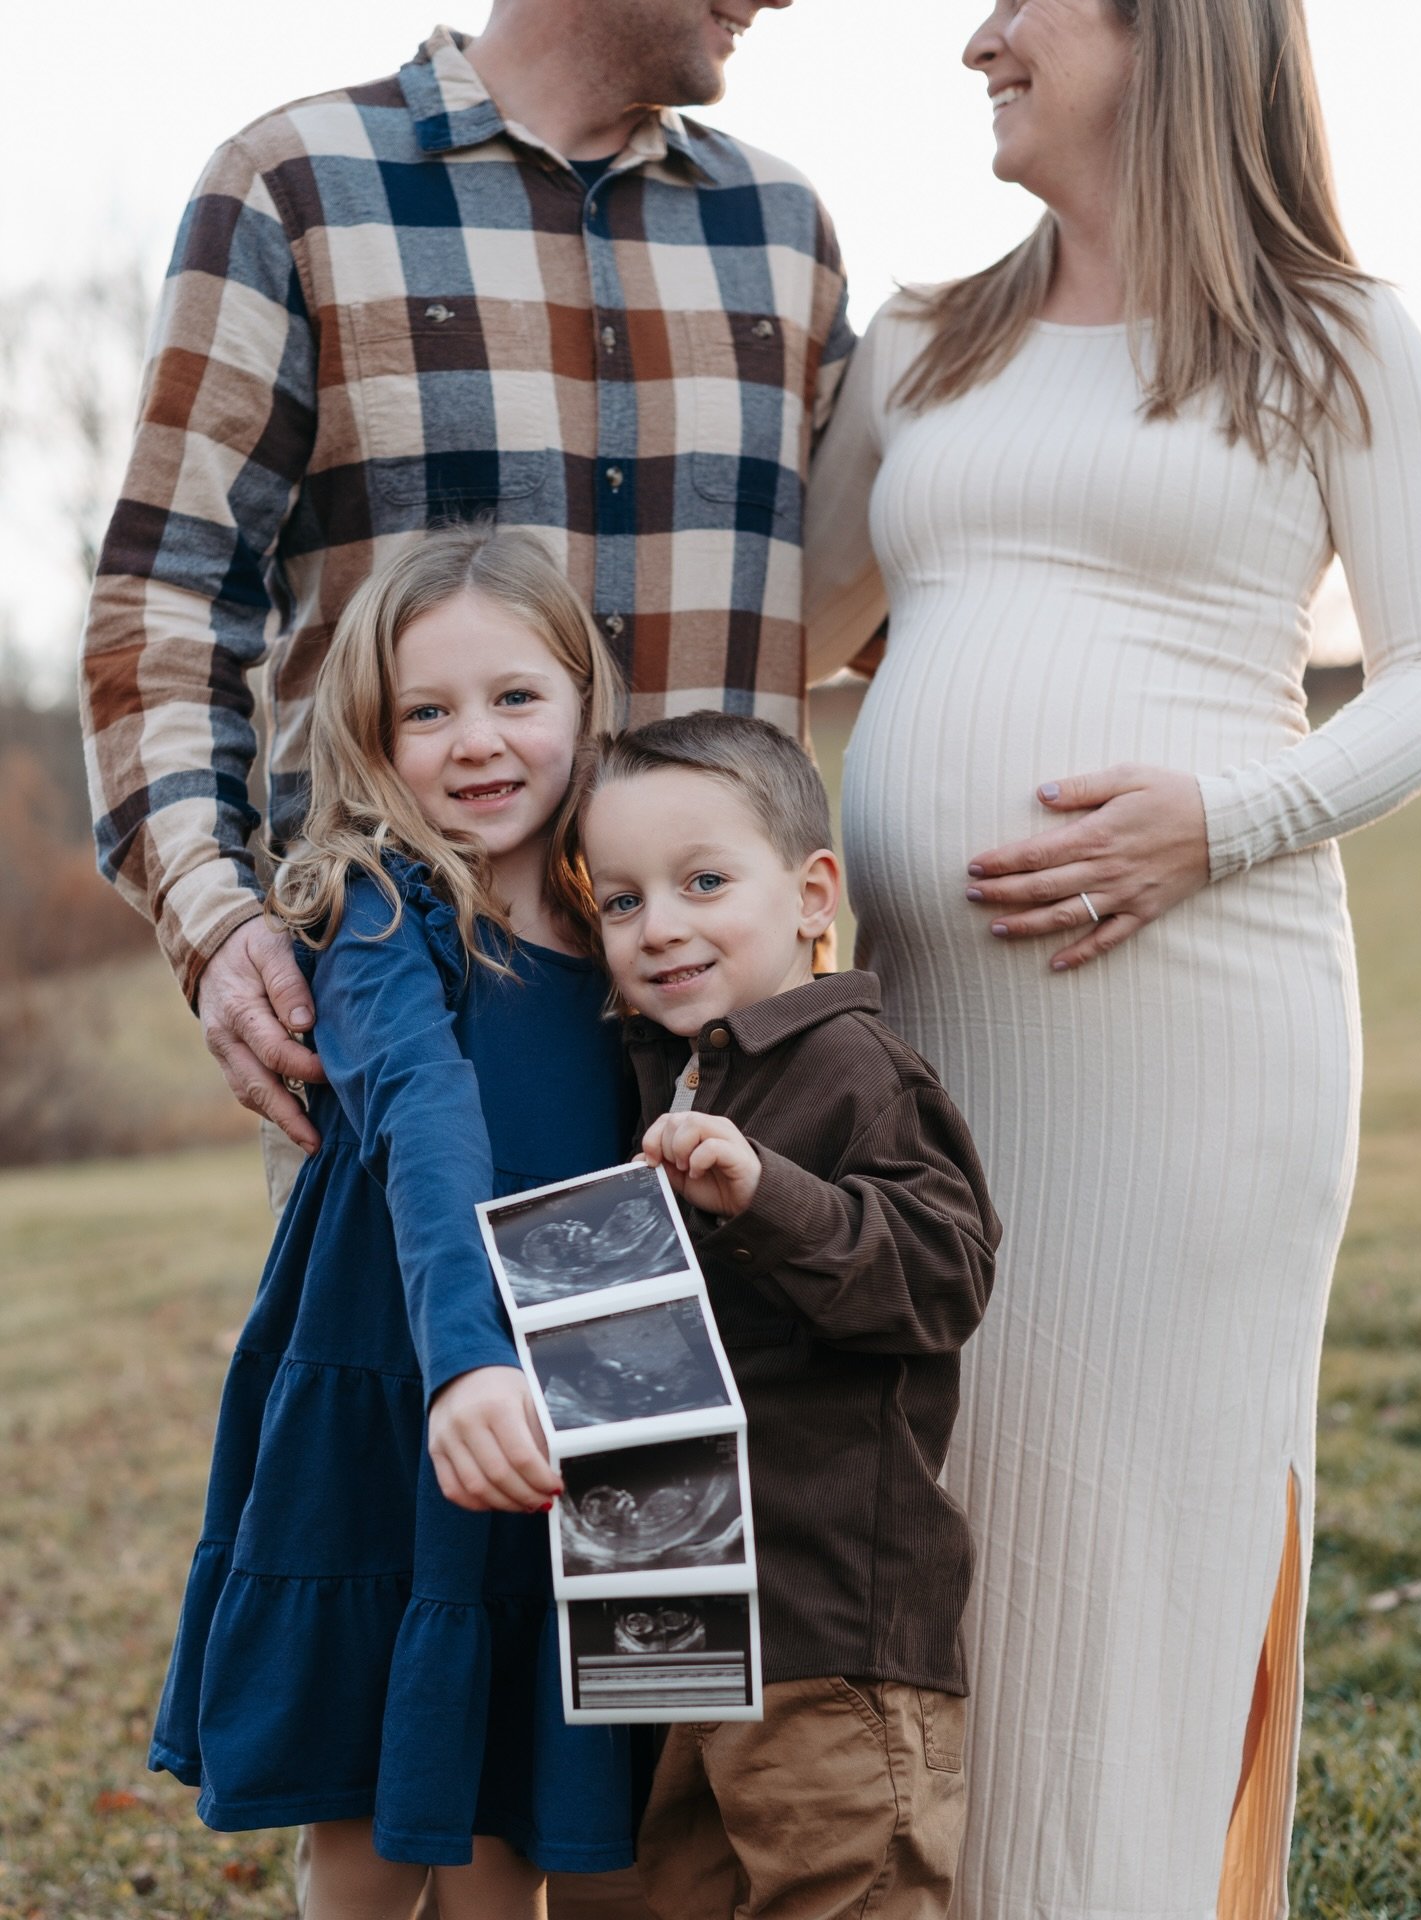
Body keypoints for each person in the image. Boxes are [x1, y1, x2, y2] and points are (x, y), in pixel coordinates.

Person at [803, 1, 1421, 1915]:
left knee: (1137, 1537)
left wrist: (1218, 819)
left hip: (1201, 1055)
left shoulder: (1337, 338)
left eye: (1028, 3)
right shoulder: (924, 346)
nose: (976, 37)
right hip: (918, 1058)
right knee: (946, 1511)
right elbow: (802, 635)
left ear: (1175, 39)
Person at [80, 0, 849, 1175]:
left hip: (735, 1078)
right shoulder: (294, 188)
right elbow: (165, 598)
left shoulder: (783, 233)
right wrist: (217, 920)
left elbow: (909, 574)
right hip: (414, 1040)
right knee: (423, 1364)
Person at [149, 525, 641, 1918]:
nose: (474, 742)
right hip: (400, 1393)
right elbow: (428, 1129)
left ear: (583, 705)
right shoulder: (381, 912)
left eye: (514, 699)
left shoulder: (623, 921)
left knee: (508, 1818)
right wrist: (468, 1360)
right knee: (370, 1822)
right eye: (427, 712)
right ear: (373, 738)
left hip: (563, 1405)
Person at [576, 712, 1001, 1920]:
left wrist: (770, 1194)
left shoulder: (860, 1075)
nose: (659, 925)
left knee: (842, 1890)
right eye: (620, 901)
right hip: (672, 1619)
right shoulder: (651, 1075)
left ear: (815, 894)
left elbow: (943, 1274)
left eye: (703, 882)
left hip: (828, 1633)